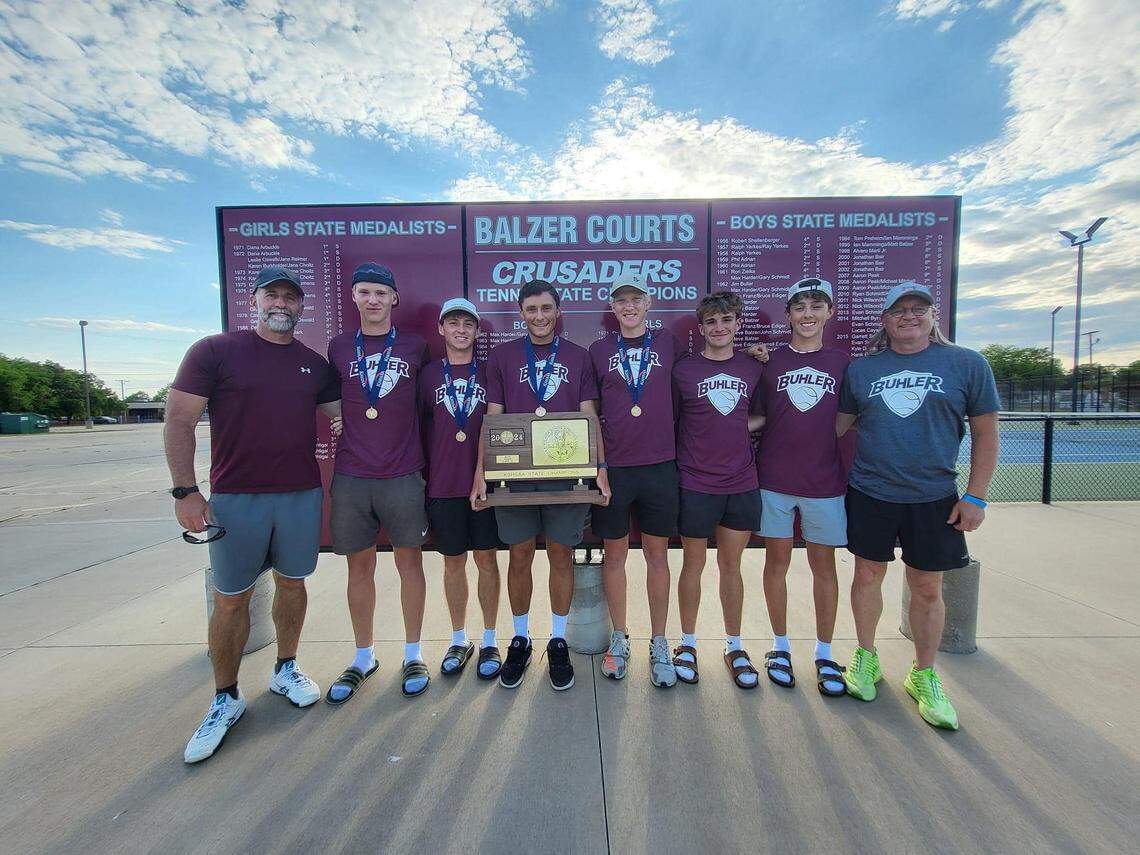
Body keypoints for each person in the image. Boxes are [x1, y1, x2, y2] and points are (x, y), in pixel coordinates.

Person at [166, 266, 340, 764]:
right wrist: (185, 491)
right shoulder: (215, 351)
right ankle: (226, 698)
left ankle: (285, 667)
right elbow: (178, 419)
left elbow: (346, 420)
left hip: (301, 494)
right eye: (272, 295)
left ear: (301, 306)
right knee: (230, 600)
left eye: (290, 296)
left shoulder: (313, 364)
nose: (280, 303)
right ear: (255, 301)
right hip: (236, 496)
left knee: (293, 583)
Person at [837, 281, 999, 730]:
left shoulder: (966, 363)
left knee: (928, 587)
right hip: (870, 492)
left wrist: (976, 496)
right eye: (899, 310)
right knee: (867, 575)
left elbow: (987, 433)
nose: (909, 316)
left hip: (935, 496)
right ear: (885, 320)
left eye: (918, 309)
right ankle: (865, 657)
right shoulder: (862, 370)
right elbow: (833, 427)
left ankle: (924, 673)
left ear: (933, 316)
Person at [471, 279, 609, 692]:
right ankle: (520, 637)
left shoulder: (579, 357)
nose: (539, 316)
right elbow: (492, 420)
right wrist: (480, 470)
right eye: (531, 309)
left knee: (562, 556)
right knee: (519, 556)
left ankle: (559, 639)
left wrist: (600, 465)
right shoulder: (502, 356)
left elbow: (589, 416)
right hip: (515, 477)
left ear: (558, 310)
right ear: (521, 313)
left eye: (546, 308)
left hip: (566, 477)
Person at [325, 262, 432, 702]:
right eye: (365, 292)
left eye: (381, 293)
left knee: (411, 565)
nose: (373, 300)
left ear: (394, 300)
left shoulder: (416, 346)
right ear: (354, 298)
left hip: (404, 472)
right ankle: (363, 656)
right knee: (359, 567)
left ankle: (413, 652)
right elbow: (329, 398)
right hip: (352, 475)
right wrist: (336, 418)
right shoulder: (337, 347)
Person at [754, 278, 850, 697]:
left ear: (830, 312)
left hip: (824, 484)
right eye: (799, 307)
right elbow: (755, 416)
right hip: (774, 479)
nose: (807, 314)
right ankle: (780, 646)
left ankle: (825, 652)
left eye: (816, 305)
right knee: (775, 564)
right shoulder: (768, 363)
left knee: (823, 568)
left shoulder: (844, 363)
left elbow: (846, 420)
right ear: (788, 314)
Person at [587, 274, 682, 686]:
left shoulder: (668, 344)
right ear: (613, 306)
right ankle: (620, 638)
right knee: (616, 556)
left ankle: (659, 640)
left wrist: (754, 354)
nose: (628, 307)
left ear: (649, 303)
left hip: (661, 465)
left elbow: (709, 363)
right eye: (621, 300)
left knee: (657, 556)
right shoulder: (598, 350)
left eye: (635, 299)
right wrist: (600, 467)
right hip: (616, 468)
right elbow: (590, 413)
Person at [671, 290, 765, 689]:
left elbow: (764, 415)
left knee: (732, 565)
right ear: (701, 327)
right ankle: (687, 643)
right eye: (711, 321)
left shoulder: (754, 367)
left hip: (741, 482)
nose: (719, 327)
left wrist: (734, 430)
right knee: (693, 564)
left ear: (737, 324)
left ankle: (734, 644)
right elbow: (671, 420)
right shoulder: (683, 370)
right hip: (695, 482)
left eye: (727, 320)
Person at [418, 298, 504, 680]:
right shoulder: (427, 376)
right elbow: (417, 427)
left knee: (486, 561)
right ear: (441, 329)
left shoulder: (490, 373)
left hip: (484, 484)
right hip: (443, 484)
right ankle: (458, 638)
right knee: (453, 563)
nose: (460, 330)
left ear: (476, 331)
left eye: (468, 324)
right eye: (452, 323)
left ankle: (488, 639)